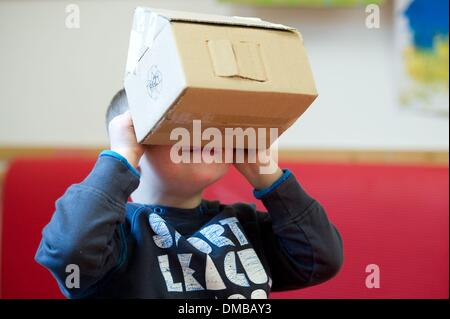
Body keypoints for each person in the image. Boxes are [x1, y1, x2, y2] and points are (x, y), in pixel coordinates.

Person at [35, 89, 343, 299]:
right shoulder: (116, 236)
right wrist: (121, 155)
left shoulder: (246, 226)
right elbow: (67, 251)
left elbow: (321, 259)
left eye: (216, 126)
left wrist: (267, 174)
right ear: (136, 142)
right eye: (179, 123)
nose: (204, 133)